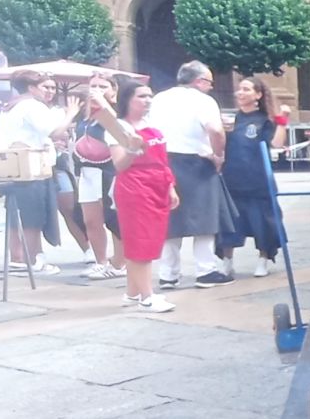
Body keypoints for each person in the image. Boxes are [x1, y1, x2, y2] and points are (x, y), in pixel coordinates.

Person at [92, 80, 177, 313]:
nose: (147, 100)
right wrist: (131, 149)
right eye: (141, 96)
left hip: (158, 186)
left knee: (150, 240)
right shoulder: (118, 128)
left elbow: (163, 159)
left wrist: (170, 186)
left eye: (150, 96)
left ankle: (132, 293)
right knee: (140, 242)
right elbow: (119, 165)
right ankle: (147, 297)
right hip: (135, 188)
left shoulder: (152, 124)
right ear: (128, 99)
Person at [148, 61, 231, 288]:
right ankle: (206, 271)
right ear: (199, 81)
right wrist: (219, 155)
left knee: (170, 220)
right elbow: (215, 130)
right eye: (210, 82)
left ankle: (168, 274)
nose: (211, 87)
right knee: (204, 218)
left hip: (164, 160)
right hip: (197, 162)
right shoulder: (203, 101)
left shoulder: (159, 98)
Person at [0, 70, 75, 275]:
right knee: (34, 215)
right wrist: (70, 114)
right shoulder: (32, 106)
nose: (47, 91)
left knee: (16, 212)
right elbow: (54, 132)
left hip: (12, 166)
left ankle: (17, 257)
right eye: (43, 86)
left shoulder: (9, 107)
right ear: (31, 88)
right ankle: (35, 259)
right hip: (32, 168)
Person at [217, 76, 287, 277]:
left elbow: (277, 144)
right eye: (239, 89)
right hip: (232, 180)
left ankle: (263, 260)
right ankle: (227, 262)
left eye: (246, 89)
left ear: (258, 95)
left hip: (258, 181)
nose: (240, 93)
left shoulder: (265, 120)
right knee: (229, 224)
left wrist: (282, 121)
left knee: (263, 223)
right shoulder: (230, 120)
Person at [69, 73, 125, 280]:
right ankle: (101, 261)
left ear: (114, 90)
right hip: (87, 171)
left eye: (103, 86)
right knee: (91, 220)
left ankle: (120, 262)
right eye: (93, 86)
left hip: (109, 170)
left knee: (113, 219)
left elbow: (119, 128)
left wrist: (103, 103)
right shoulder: (85, 116)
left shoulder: (114, 111)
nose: (97, 90)